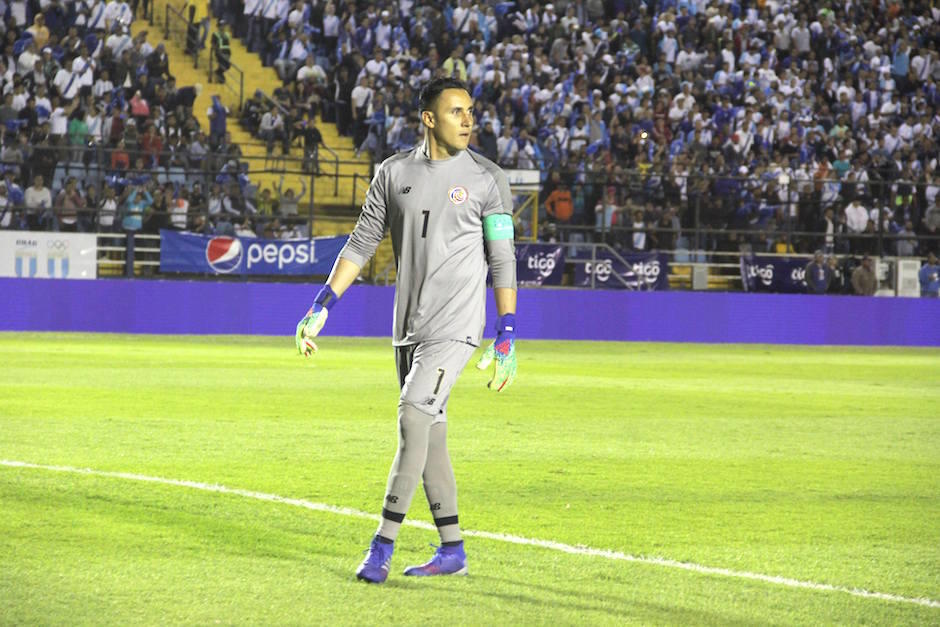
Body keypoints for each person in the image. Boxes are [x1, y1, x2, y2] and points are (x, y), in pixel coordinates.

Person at [294, 77, 518, 584]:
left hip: (457, 326)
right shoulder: (394, 173)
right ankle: (453, 547)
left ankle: (382, 546)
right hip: (408, 327)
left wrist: (507, 331)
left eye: (471, 111)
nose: (469, 120)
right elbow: (363, 239)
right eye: (457, 111)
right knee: (430, 435)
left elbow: (502, 259)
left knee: (414, 415)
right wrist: (322, 303)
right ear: (429, 118)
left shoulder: (487, 178)